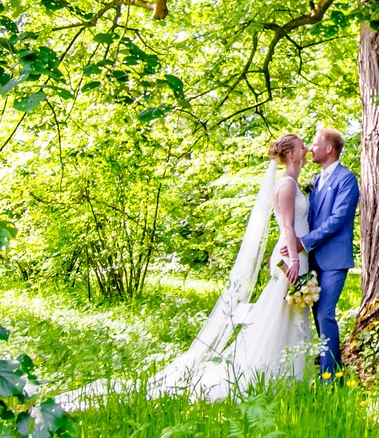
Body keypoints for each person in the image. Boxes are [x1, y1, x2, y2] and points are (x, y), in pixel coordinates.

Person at [55, 133, 317, 407]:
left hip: (297, 254)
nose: (307, 149)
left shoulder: (294, 183)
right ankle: (270, 374)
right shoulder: (286, 185)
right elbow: (288, 226)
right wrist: (294, 260)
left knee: (290, 312)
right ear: (291, 154)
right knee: (280, 312)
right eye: (302, 146)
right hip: (291, 256)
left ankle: (291, 376)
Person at [295, 126, 359, 380]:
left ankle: (330, 379)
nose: (311, 148)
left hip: (334, 259)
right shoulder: (316, 179)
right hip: (312, 259)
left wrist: (304, 242)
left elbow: (337, 219)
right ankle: (328, 371)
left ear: (329, 148)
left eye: (315, 143)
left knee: (325, 314)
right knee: (316, 316)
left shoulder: (346, 179)